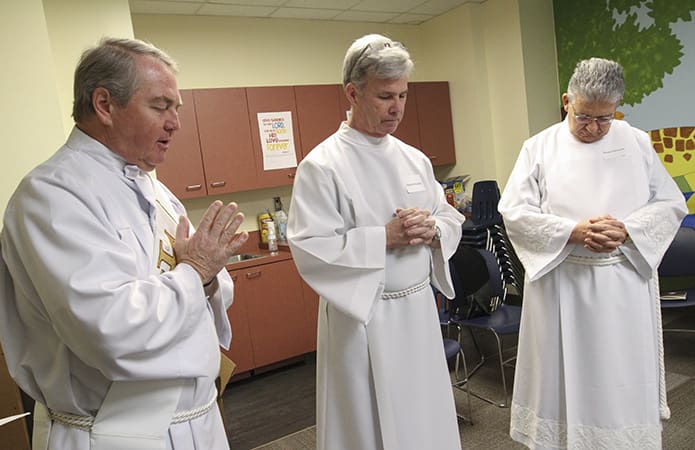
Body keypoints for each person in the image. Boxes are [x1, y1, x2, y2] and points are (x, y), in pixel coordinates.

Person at [0, 37, 248, 449]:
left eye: (177, 109)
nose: (176, 123)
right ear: (104, 105)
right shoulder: (50, 195)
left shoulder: (155, 191)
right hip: (115, 432)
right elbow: (109, 328)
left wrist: (206, 280)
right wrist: (196, 273)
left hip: (196, 421)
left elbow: (206, 293)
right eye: (160, 106)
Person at [498, 57, 688, 449]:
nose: (594, 128)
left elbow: (670, 203)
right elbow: (513, 212)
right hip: (563, 281)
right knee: (567, 375)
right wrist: (572, 231)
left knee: (619, 375)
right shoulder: (539, 147)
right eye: (584, 117)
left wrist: (628, 229)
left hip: (624, 280)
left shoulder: (636, 141)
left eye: (605, 119)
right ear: (567, 101)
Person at [287, 33, 465, 450]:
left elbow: (447, 215)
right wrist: (383, 237)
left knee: (423, 415)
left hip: (418, 311)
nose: (397, 108)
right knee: (369, 424)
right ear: (352, 93)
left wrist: (433, 229)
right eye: (386, 96)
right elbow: (310, 246)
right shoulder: (322, 165)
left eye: (403, 95)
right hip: (364, 319)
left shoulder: (413, 158)